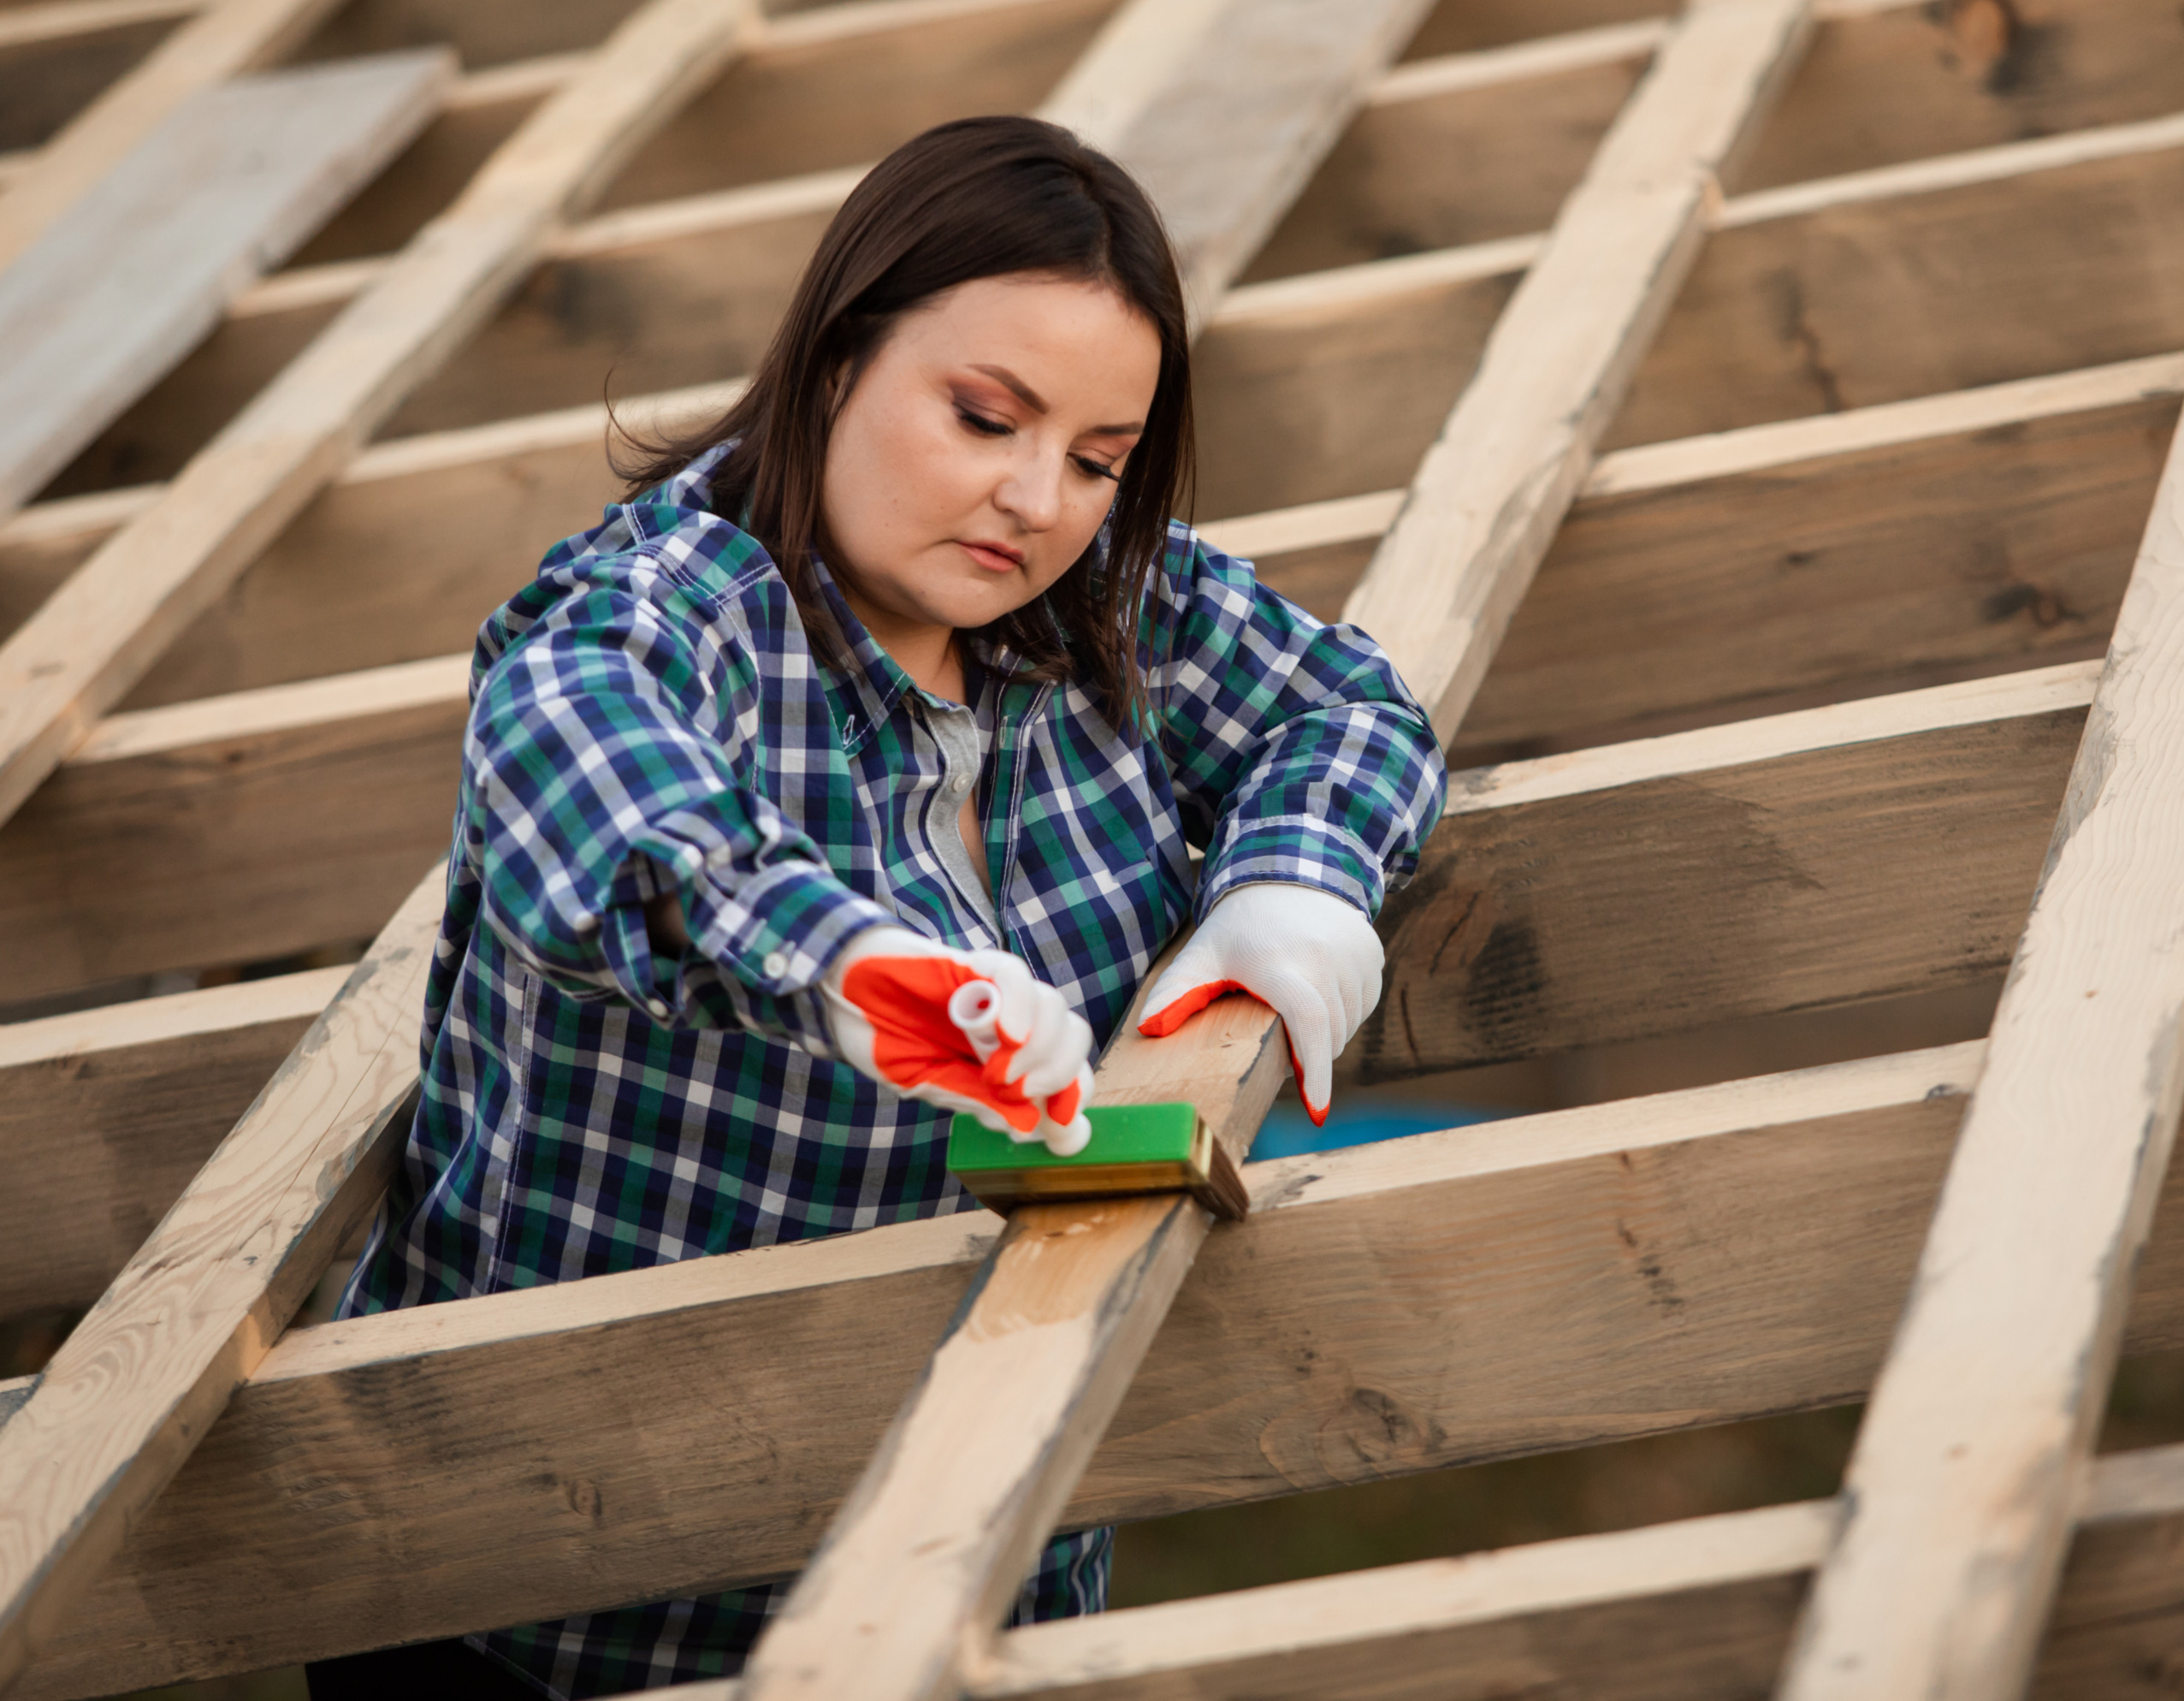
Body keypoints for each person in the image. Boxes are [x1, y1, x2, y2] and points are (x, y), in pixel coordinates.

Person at [304, 116, 1446, 1700]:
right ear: (837, 357)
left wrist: (1295, 886)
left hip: (982, 1558)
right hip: (570, 1597)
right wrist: (851, 958)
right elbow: (613, 801)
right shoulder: (656, 612)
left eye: (1101, 458)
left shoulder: (1105, 600)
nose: (1039, 500)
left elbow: (1350, 708)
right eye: (986, 417)